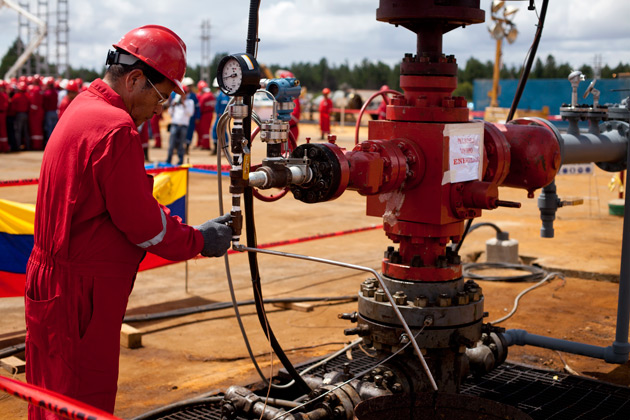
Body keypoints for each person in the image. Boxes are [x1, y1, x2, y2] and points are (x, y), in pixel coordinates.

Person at [24, 25, 233, 419]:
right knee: (83, 402)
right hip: (81, 296)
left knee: (48, 399)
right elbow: (143, 225)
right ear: (135, 79)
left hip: (50, 284)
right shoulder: (115, 129)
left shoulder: (82, 107)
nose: (160, 109)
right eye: (161, 96)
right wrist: (199, 240)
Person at [166, 87, 194, 165]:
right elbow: (169, 112)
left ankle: (180, 161)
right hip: (174, 124)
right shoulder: (175, 101)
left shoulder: (190, 102)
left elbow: (190, 113)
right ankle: (168, 161)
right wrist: (173, 105)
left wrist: (184, 104)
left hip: (184, 126)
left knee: (181, 145)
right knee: (171, 144)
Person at [10, 81, 30, 150]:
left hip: (19, 115)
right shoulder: (27, 95)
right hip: (26, 114)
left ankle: (18, 146)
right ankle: (28, 146)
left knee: (18, 131)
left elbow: (13, 107)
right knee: (26, 131)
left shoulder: (16, 96)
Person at [195, 80, 215, 150]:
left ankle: (205, 145)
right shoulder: (211, 95)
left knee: (204, 130)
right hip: (209, 114)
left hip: (204, 114)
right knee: (203, 130)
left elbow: (200, 107)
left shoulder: (204, 96)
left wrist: (197, 116)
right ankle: (201, 143)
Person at [211, 79, 229, 155]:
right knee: (215, 130)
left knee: (222, 131)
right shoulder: (220, 95)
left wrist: (222, 113)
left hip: (222, 116)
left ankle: (225, 149)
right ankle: (216, 148)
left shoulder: (224, 95)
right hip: (219, 116)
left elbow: (225, 105)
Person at [182, 77, 199, 154]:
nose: (189, 87)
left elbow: (197, 107)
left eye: (190, 85)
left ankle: (187, 148)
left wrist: (197, 117)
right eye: (188, 85)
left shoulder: (193, 96)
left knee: (189, 133)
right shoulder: (179, 95)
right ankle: (179, 148)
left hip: (191, 118)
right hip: (182, 118)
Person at [42, 76, 59, 145]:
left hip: (49, 112)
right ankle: (55, 143)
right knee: (54, 130)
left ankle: (50, 144)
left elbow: (44, 104)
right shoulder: (55, 92)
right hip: (55, 112)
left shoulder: (47, 93)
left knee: (49, 129)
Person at [0, 80, 9, 153]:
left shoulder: (4, 95)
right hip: (3, 114)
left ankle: (4, 147)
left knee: (3, 132)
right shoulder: (4, 95)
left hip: (2, 114)